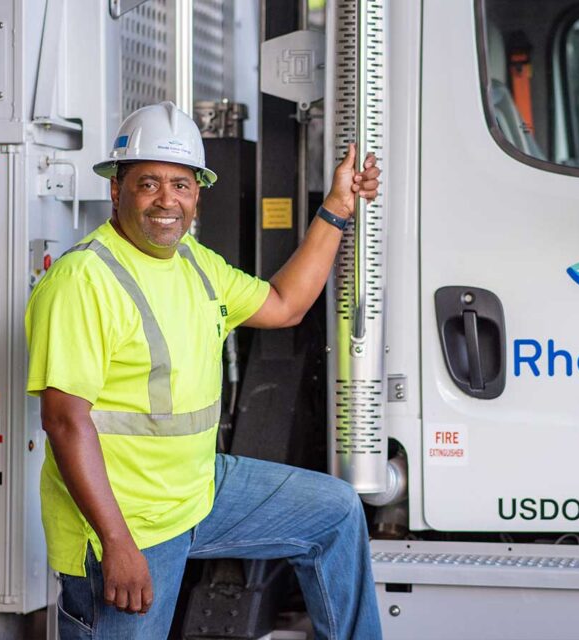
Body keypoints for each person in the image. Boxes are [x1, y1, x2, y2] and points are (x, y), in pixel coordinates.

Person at [25, 101, 382, 639]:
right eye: (149, 184)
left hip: (197, 493)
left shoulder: (194, 262)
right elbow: (64, 422)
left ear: (197, 195)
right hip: (128, 524)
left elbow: (285, 303)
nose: (167, 200)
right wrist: (118, 544)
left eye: (182, 185)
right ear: (117, 189)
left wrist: (335, 208)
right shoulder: (84, 281)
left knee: (334, 512)